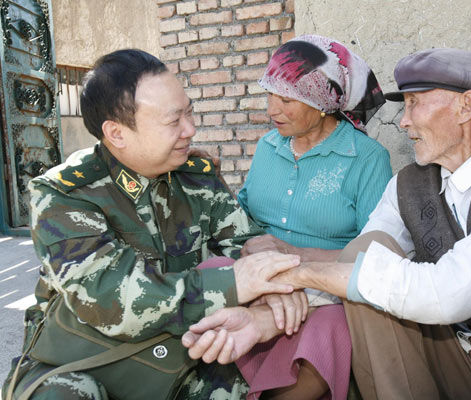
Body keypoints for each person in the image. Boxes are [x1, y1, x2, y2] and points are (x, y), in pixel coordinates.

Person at [182, 48, 471, 399]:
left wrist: (301, 269)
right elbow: (357, 266)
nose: (403, 121)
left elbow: (451, 293)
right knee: (367, 250)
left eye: (416, 104)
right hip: (447, 351)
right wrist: (266, 318)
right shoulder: (409, 184)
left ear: (466, 107)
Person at [1, 49, 301, 400]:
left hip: (179, 355)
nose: (190, 129)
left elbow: (244, 240)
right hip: (86, 361)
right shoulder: (65, 195)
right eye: (174, 121)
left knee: (247, 381)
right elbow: (112, 299)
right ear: (117, 133)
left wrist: (268, 269)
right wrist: (238, 283)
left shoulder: (195, 178)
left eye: (189, 111)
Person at [234, 34, 392, 399]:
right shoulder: (267, 146)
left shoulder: (366, 158)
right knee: (209, 280)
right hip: (264, 277)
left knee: (331, 328)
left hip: (327, 285)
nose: (273, 109)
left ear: (322, 103)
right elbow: (242, 218)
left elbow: (377, 254)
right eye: (270, 95)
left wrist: (294, 256)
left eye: (286, 99)